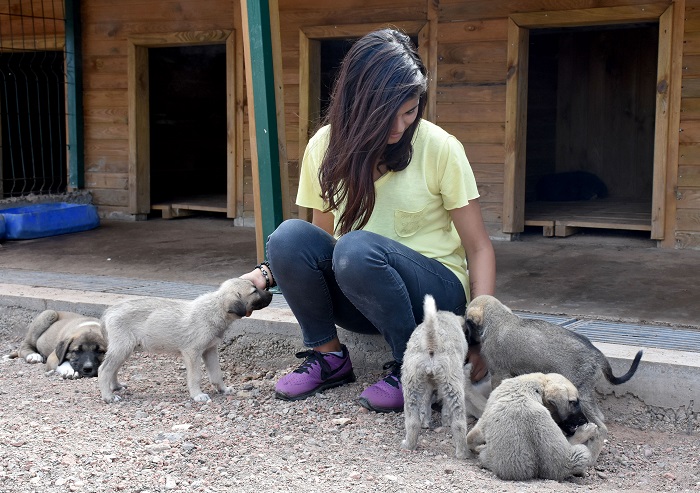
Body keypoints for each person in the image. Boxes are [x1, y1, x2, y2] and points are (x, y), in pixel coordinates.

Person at [242, 28, 496, 413]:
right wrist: (266, 270)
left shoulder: (440, 148)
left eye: (409, 112)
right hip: (363, 293)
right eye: (384, 117)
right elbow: (316, 245)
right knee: (287, 238)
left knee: (356, 247)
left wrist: (479, 336)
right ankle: (329, 357)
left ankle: (415, 370)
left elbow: (479, 248)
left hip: (436, 296)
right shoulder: (323, 148)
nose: (398, 129)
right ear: (356, 107)